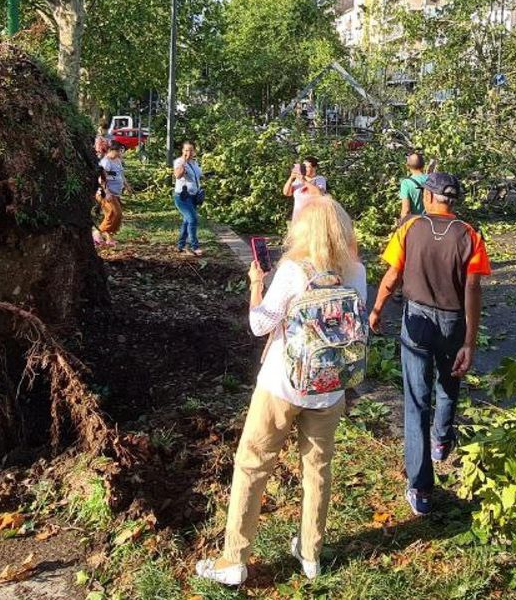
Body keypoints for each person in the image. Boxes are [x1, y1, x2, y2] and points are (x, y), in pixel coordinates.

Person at [195, 197, 365, 586]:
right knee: (318, 470)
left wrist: (256, 286)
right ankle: (310, 554)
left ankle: (234, 558)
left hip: (281, 384)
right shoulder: (356, 270)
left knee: (253, 465)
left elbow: (260, 324)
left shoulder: (292, 269)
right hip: (330, 389)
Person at [369, 172, 490, 516]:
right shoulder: (470, 235)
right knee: (450, 379)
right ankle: (441, 439)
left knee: (415, 401)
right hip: (453, 322)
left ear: (428, 195)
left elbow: (392, 275)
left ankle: (420, 489)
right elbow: (472, 289)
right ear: (453, 199)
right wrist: (469, 341)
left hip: (416, 321)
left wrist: (376, 308)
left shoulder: (410, 228)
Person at [172, 140, 204, 256]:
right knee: (192, 219)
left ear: (194, 151)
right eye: (186, 150)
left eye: (190, 150)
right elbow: (178, 175)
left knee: (187, 222)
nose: (188, 153)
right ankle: (194, 246)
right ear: (182, 151)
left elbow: (198, 176)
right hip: (182, 197)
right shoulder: (179, 161)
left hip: (193, 197)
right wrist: (184, 163)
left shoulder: (195, 163)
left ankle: (180, 245)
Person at [95, 144, 127, 247]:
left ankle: (109, 238)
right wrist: (107, 192)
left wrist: (126, 185)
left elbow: (120, 174)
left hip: (115, 193)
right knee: (115, 213)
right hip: (106, 193)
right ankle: (97, 233)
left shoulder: (117, 160)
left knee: (114, 216)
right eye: (119, 151)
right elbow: (101, 179)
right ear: (112, 150)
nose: (121, 154)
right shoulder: (105, 162)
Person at [282, 156, 327, 221]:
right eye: (303, 166)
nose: (304, 169)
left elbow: (319, 193)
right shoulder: (297, 181)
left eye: (307, 167)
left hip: (314, 218)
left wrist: (304, 181)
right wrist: (291, 178)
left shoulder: (319, 179)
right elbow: (286, 193)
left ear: (314, 168)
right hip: (298, 218)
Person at [396, 151, 427, 222]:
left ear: (407, 166)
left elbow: (406, 210)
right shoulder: (432, 179)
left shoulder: (406, 183)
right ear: (423, 165)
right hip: (432, 221)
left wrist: (402, 224)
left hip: (418, 222)